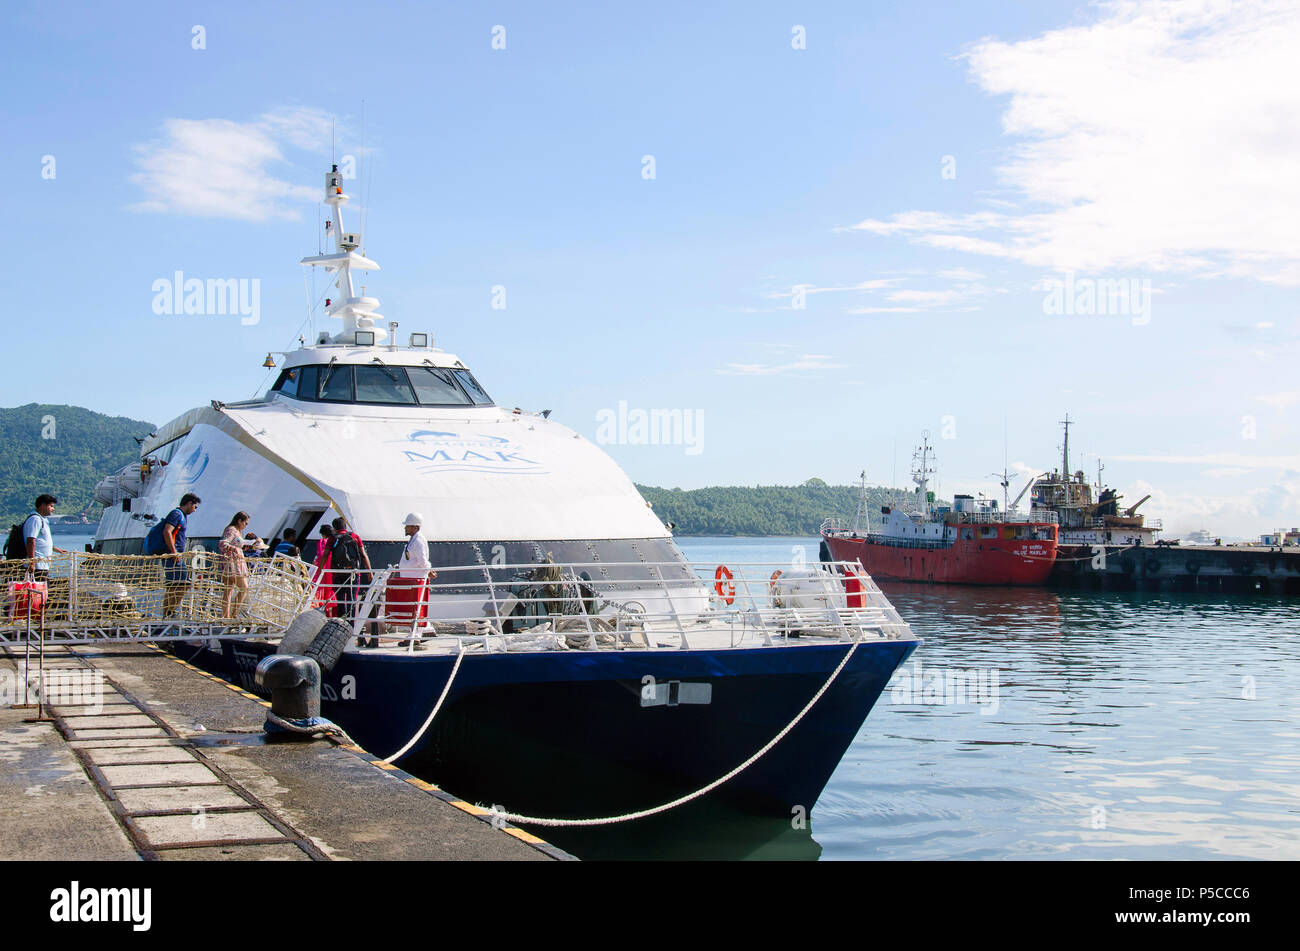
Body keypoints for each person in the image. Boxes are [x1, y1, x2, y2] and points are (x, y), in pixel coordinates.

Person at [144, 493, 201, 617]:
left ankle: (167, 613)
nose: (195, 510)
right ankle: (170, 612)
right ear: (190, 503)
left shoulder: (182, 516)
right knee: (183, 583)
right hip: (172, 556)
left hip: (174, 555)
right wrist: (174, 552)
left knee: (173, 585)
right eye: (195, 507)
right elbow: (167, 531)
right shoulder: (176, 514)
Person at [329, 516, 371, 620]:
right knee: (352, 598)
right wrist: (370, 572)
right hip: (353, 573)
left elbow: (325, 555)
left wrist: (320, 570)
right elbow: (363, 555)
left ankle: (340, 623)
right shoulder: (355, 536)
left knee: (340, 599)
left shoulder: (333, 538)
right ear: (345, 526)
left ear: (335, 528)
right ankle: (351, 624)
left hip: (338, 573)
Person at [23, 494, 67, 583]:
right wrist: (32, 562)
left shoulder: (42, 520)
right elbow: (31, 540)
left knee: (42, 591)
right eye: (51, 506)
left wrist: (56, 549)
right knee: (37, 592)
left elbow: (41, 540)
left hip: (42, 564)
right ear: (43, 505)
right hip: (37, 565)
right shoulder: (35, 519)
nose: (53, 509)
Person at [219, 512, 251, 618]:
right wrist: (234, 549)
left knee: (228, 591)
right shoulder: (232, 530)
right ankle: (234, 614)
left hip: (231, 564)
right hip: (233, 564)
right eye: (245, 523)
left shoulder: (236, 531)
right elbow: (223, 543)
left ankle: (226, 617)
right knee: (244, 588)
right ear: (239, 521)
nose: (246, 526)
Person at [312, 524, 336, 617]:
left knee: (320, 593)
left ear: (322, 534)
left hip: (323, 570)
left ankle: (325, 615)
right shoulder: (334, 541)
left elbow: (321, 556)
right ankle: (332, 616)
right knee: (331, 593)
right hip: (332, 570)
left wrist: (319, 569)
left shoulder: (322, 541)